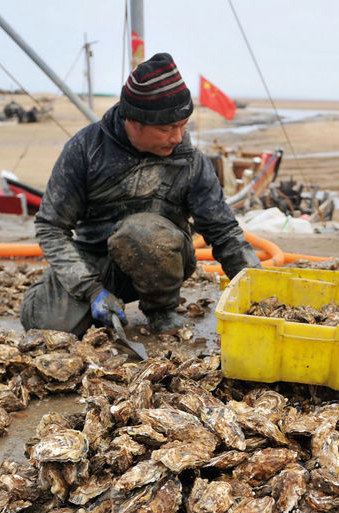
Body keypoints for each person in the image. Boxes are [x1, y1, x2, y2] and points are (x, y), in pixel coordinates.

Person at [20, 52, 260, 336]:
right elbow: (50, 227)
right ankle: (103, 305)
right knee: (46, 325)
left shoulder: (190, 161)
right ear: (132, 120)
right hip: (94, 261)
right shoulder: (85, 150)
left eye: (183, 126)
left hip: (161, 260)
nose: (177, 137)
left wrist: (259, 290)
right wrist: (91, 289)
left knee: (141, 232)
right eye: (167, 128)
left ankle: (161, 311)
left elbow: (224, 233)